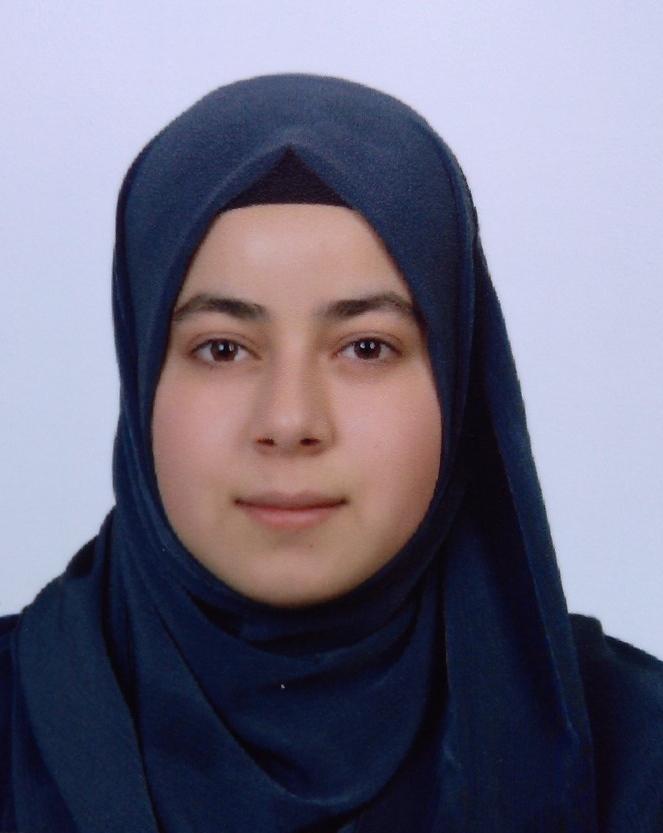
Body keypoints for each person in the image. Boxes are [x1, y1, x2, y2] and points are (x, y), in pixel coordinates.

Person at [1, 73, 662, 833]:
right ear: (143, 367)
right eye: (222, 348)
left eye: (366, 347)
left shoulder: (636, 757)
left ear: (458, 382)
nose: (289, 421)